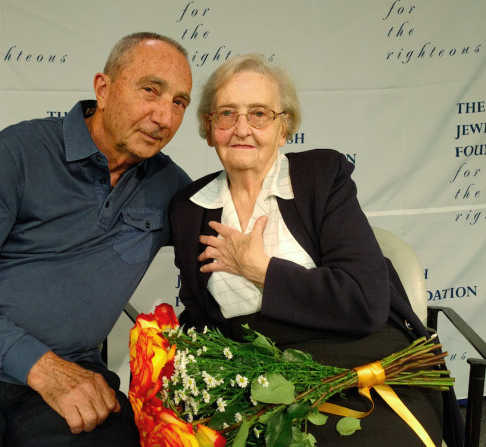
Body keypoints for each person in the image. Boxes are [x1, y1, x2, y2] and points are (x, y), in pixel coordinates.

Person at [0, 32, 193, 447]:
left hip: (74, 369)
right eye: (150, 91)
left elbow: (226, 235)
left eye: (179, 103)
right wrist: (41, 367)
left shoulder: (169, 186)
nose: (164, 117)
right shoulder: (19, 150)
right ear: (103, 89)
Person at [169, 54, 464, 446]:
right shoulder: (189, 207)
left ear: (284, 127)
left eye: (259, 113)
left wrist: (262, 270)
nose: (242, 128)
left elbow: (365, 301)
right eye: (226, 114)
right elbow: (200, 312)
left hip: (358, 363)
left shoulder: (321, 178)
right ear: (209, 128)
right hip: (258, 378)